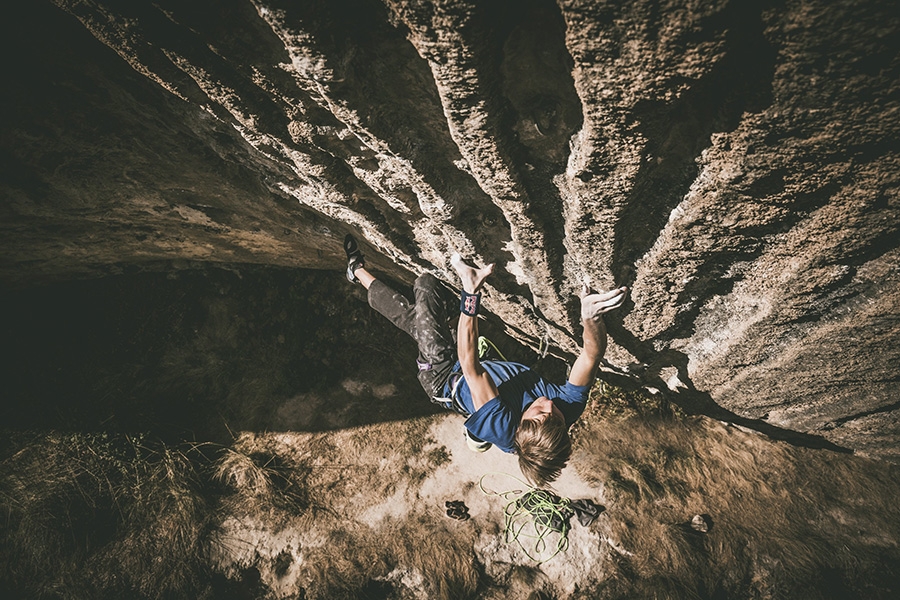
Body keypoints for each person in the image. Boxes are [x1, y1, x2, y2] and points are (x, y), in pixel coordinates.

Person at [344, 234, 626, 487]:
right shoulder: (566, 410)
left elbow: (469, 364)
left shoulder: (502, 426)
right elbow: (591, 355)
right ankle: (356, 270)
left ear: (521, 424)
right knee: (412, 320)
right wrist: (590, 317)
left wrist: (471, 292)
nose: (551, 404)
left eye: (541, 412)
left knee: (426, 286)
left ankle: (477, 435)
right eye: (557, 417)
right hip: (479, 370)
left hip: (443, 375)